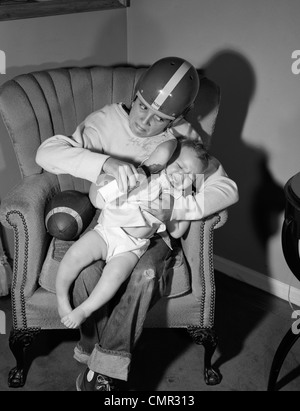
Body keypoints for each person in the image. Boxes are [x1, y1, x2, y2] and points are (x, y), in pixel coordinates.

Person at [35, 56, 239, 391]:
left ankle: (105, 371)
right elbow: (47, 153)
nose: (145, 122)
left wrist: (178, 209)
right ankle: (91, 349)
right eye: (142, 107)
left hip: (152, 233)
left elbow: (226, 188)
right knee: (86, 271)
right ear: (136, 94)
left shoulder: (185, 137)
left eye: (161, 119)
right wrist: (105, 163)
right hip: (112, 218)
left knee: (145, 275)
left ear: (178, 118)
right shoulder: (104, 122)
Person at [56, 138, 209, 330]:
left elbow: (177, 232)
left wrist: (181, 205)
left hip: (132, 247)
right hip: (107, 231)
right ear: (168, 160)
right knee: (75, 255)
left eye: (189, 175)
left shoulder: (180, 197)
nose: (181, 175)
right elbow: (163, 150)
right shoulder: (147, 173)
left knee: (115, 275)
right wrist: (173, 145)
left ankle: (85, 309)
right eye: (178, 165)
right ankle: (62, 298)